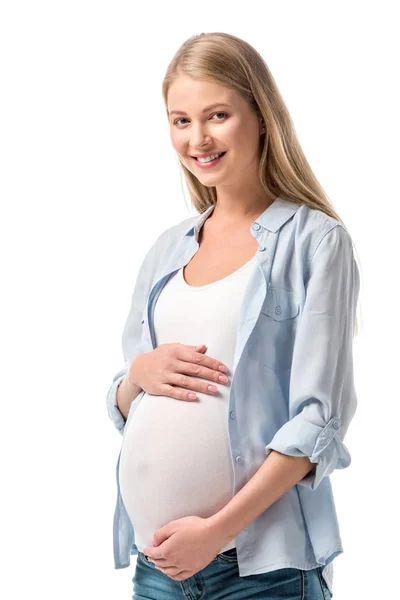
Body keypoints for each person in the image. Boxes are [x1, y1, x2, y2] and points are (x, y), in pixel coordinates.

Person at [106, 32, 361, 600]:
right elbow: (132, 399)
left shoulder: (315, 241)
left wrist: (216, 531)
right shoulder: (168, 249)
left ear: (260, 115)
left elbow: (319, 421)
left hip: (261, 574)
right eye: (180, 120)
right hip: (158, 569)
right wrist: (134, 381)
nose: (197, 138)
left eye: (217, 115)